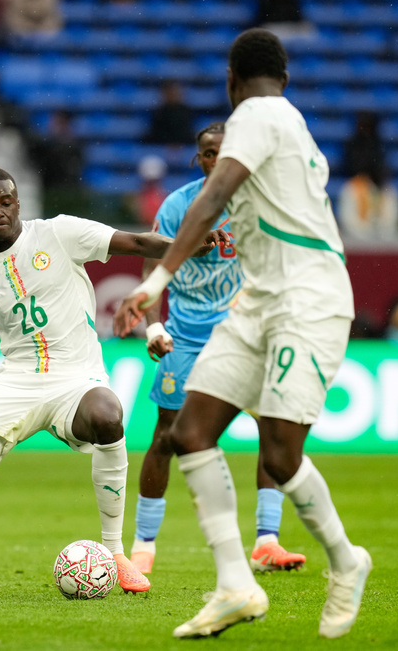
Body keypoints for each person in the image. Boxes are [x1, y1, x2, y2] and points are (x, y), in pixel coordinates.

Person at [115, 29, 371, 640]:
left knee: (280, 456)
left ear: (232, 81)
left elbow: (214, 198)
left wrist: (155, 286)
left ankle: (346, 559)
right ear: (284, 77)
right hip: (257, 300)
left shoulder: (256, 117)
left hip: (306, 301)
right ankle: (235, 584)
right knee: (191, 432)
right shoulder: (294, 127)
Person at [0, 166, 223, 596]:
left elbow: (137, 241)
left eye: (5, 202)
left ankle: (116, 553)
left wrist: (185, 246)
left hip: (76, 377)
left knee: (109, 416)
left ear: (18, 204)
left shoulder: (60, 233)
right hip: (15, 384)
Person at [130, 122, 306, 576]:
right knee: (166, 437)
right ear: (199, 158)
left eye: (223, 152)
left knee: (274, 430)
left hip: (244, 334)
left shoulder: (258, 201)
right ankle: (143, 546)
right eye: (208, 153)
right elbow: (152, 265)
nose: (215, 160)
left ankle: (267, 540)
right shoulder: (179, 206)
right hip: (185, 337)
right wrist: (153, 327)